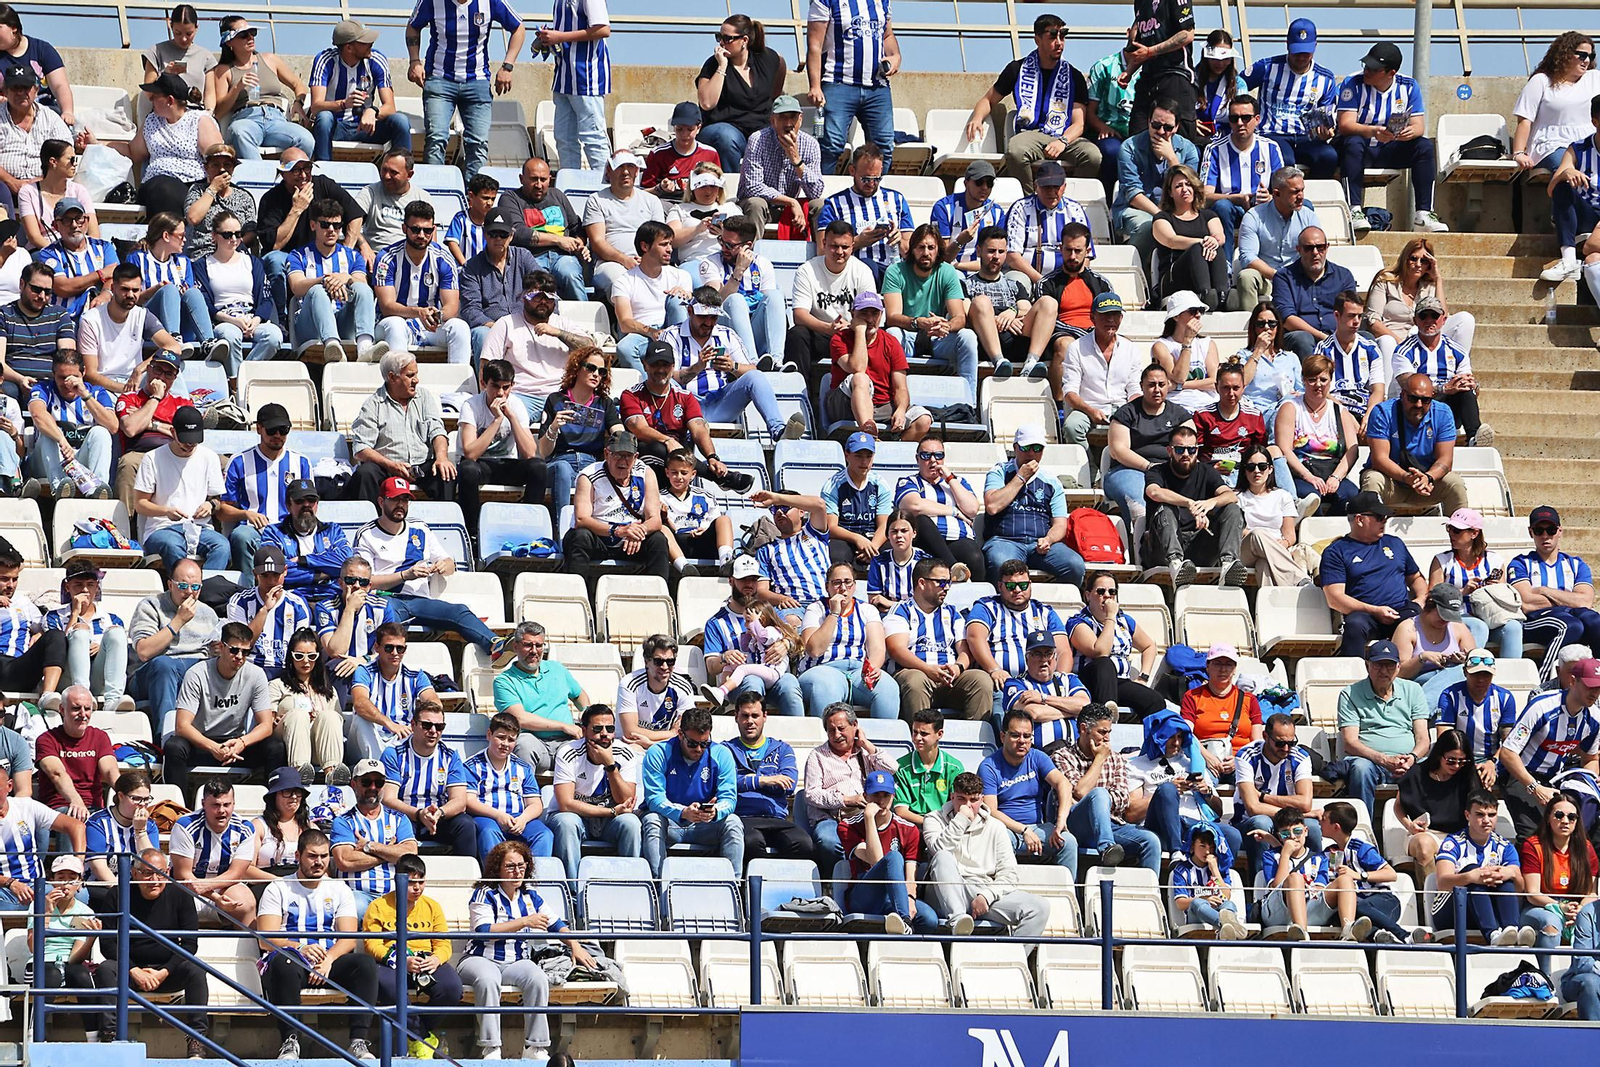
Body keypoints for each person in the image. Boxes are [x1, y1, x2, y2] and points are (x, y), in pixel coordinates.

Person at [462, 840, 593, 1060]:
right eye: (510, 867)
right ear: (497, 869)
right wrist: (524, 921)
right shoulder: (484, 894)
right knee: (487, 979)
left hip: (515, 961)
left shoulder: (530, 895)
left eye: (521, 866)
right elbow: (483, 930)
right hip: (480, 957)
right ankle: (491, 1047)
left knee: (537, 978)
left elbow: (556, 923)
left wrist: (575, 945)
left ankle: (535, 1047)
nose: (517, 872)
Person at [257, 829, 380, 1061]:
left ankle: (358, 1041)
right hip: (291, 960)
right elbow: (265, 937)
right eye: (313, 856)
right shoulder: (278, 888)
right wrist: (299, 948)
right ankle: (290, 1040)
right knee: (284, 961)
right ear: (298, 856)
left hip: (328, 960)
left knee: (364, 964)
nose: (319, 862)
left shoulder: (340, 888)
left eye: (324, 856)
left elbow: (349, 937)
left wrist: (329, 960)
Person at [352, 477, 505, 656]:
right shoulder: (367, 534)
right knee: (391, 625)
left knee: (458, 611)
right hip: (385, 599)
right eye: (394, 499)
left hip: (419, 600)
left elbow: (449, 563)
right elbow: (365, 581)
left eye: (405, 499)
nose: (400, 504)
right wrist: (405, 575)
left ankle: (495, 644)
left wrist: (444, 565)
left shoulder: (420, 528)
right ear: (381, 501)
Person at [91, 848, 208, 1057]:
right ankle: (109, 1035)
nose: (155, 879)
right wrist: (134, 970)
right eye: (147, 873)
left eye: (160, 873)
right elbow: (107, 943)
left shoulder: (180, 895)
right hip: (129, 972)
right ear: (134, 874)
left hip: (168, 972)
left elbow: (190, 944)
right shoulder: (117, 894)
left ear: (169, 872)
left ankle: (197, 1040)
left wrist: (164, 971)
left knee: (196, 969)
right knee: (106, 969)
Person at [968, 14, 1100, 192]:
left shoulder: (1074, 75)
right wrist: (977, 118)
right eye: (1053, 36)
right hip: (1031, 134)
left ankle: (1069, 201)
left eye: (1063, 36)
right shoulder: (1017, 69)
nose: (1059, 42)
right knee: (1015, 151)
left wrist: (1063, 141)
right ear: (1037, 39)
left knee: (1093, 156)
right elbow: (988, 100)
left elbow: (1079, 123)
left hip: (1064, 134)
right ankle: (1030, 200)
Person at [1335, 43, 1447, 234]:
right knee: (1353, 142)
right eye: (1366, 66)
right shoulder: (1352, 83)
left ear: (1390, 73)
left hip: (1389, 148)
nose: (1367, 71)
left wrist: (1410, 133)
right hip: (1358, 149)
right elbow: (1345, 124)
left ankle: (1423, 213)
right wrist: (1372, 131)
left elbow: (1419, 126)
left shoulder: (1409, 86)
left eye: (1373, 69)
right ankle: (1353, 209)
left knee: (1424, 146)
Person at [620, 340, 756, 495]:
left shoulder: (685, 396)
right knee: (657, 448)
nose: (661, 369)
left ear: (673, 366)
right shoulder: (631, 394)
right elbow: (639, 428)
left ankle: (710, 475)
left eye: (665, 364)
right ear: (645, 365)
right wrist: (667, 440)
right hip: (645, 459)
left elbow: (698, 429)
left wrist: (712, 457)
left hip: (680, 461)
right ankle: (718, 478)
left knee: (683, 447)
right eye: (655, 364)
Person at [405, 0, 523, 178]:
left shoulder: (490, 2)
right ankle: (436, 190)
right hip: (439, 80)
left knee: (478, 143)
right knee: (436, 138)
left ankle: (473, 196)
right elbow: (413, 26)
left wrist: (507, 66)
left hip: (477, 82)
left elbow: (518, 28)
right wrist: (414, 61)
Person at [362, 852, 463, 1059]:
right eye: (410, 882)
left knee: (452, 988)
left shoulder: (432, 906)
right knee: (389, 988)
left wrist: (435, 959)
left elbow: (443, 943)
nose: (417, 887)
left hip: (426, 961)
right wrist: (401, 961)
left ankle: (416, 1035)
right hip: (392, 961)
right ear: (397, 880)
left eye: (421, 881)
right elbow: (371, 944)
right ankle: (423, 1037)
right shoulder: (378, 906)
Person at [165, 623, 283, 797]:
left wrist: (242, 743)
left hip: (236, 744)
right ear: (221, 647)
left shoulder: (256, 675)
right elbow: (182, 726)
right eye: (234, 650)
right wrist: (213, 748)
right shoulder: (197, 674)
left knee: (275, 747)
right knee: (174, 746)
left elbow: (266, 725)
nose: (240, 656)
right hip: (202, 743)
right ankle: (176, 807)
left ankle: (272, 808)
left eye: (246, 652)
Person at [925, 772, 1047, 936]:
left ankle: (1014, 960)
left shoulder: (996, 826)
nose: (968, 806)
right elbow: (939, 849)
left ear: (982, 799)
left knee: (1039, 908)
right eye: (961, 799)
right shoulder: (933, 819)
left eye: (974, 800)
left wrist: (986, 896)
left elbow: (1009, 873)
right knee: (942, 856)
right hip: (944, 892)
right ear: (952, 797)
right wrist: (961, 819)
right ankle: (958, 921)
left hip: (983, 890)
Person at [1319, 490, 1427, 655]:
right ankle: (1354, 675)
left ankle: (1415, 670)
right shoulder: (1336, 551)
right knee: (1354, 625)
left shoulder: (1395, 543)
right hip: (1365, 615)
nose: (1385, 521)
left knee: (1419, 619)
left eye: (1386, 517)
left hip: (1401, 610)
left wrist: (1420, 600)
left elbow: (1415, 578)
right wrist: (1374, 610)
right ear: (1360, 519)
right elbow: (1335, 598)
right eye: (1379, 517)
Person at [639, 706, 743, 876]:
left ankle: (733, 886)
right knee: (652, 820)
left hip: (704, 824)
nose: (699, 749)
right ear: (680, 734)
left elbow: (729, 799)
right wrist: (683, 812)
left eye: (705, 743)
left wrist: (715, 812)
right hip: (670, 824)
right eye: (692, 743)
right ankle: (657, 885)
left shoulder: (722, 754)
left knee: (733, 822)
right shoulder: (658, 753)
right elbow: (654, 799)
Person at [1499, 662, 1600, 838]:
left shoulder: (1594, 718)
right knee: (1535, 835)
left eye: (1599, 688)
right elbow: (1507, 753)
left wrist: (1587, 783)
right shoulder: (1542, 707)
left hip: (1557, 778)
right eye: (1590, 686)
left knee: (1590, 829)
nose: (1595, 693)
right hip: (1520, 775)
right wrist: (1534, 787)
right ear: (1573, 681)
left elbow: (1591, 758)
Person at [259, 149, 367, 313]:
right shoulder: (271, 199)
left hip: (324, 250)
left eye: (307, 168)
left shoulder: (323, 184)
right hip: (292, 256)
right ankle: (282, 317)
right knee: (275, 260)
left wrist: (347, 249)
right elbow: (274, 245)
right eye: (296, 170)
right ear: (282, 173)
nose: (303, 175)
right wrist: (296, 209)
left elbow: (355, 214)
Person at [1333, 639, 1431, 817]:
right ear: (1367, 665)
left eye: (1390, 665)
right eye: (1378, 665)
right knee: (1361, 770)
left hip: (1408, 761)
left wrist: (1412, 758)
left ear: (1399, 667)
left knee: (1433, 770)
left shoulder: (1414, 690)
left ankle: (1425, 829)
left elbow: (1423, 739)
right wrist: (1383, 759)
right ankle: (1361, 830)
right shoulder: (1350, 693)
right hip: (1370, 761)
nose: (1384, 671)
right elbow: (1350, 742)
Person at [887, 557, 994, 720]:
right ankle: (920, 741)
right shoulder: (901, 610)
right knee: (915, 680)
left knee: (981, 680)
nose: (947, 588)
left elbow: (964, 649)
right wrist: (928, 669)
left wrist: (959, 667)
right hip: (915, 673)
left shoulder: (952, 613)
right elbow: (897, 649)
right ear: (922, 583)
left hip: (950, 678)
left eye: (949, 583)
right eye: (942, 582)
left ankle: (975, 743)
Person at [549, 703, 643, 887]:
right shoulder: (569, 753)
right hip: (578, 819)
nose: (605, 734)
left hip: (610, 822)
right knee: (567, 821)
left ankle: (630, 886)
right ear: (584, 730)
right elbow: (566, 804)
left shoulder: (625, 753)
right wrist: (611, 812)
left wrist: (610, 767)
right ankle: (572, 891)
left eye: (610, 729)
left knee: (631, 823)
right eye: (597, 729)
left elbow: (627, 801)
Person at [564, 429, 672, 589]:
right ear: (607, 454)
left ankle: (656, 595)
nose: (623, 461)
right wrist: (618, 531)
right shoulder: (588, 475)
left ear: (635, 458)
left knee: (658, 540)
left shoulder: (646, 474)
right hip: (600, 536)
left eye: (628, 456)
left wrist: (638, 531)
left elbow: (655, 520)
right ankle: (575, 595)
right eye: (617, 455)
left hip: (632, 540)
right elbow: (581, 519)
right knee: (580, 536)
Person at [287, 197, 387, 365]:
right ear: (313, 226)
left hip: (343, 320)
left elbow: (361, 284)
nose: (332, 230)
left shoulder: (353, 256)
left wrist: (346, 278)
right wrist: (325, 280)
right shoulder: (298, 255)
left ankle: (364, 347)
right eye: (325, 225)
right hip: (309, 324)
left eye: (337, 225)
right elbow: (296, 287)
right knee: (317, 290)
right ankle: (332, 345)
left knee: (362, 288)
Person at [1145, 422, 1247, 586]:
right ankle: (1176, 565)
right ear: (1169, 451)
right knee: (1165, 507)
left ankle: (1228, 564)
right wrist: (1189, 503)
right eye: (1180, 449)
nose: (1186, 454)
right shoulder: (1157, 471)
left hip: (1198, 544)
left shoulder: (1207, 471)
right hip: (1163, 546)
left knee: (1232, 510)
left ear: (1197, 451)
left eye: (1191, 449)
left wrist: (1210, 504)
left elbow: (1231, 496)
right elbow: (1154, 492)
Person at [702, 557, 805, 718]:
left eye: (753, 579)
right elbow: (711, 666)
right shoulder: (716, 622)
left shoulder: (771, 612)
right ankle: (753, 738)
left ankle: (800, 737)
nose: (749, 585)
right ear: (731, 581)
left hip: (773, 675)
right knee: (752, 681)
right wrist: (725, 657)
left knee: (790, 684)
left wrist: (786, 644)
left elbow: (796, 641)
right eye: (743, 580)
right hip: (740, 683)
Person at [979, 707, 1078, 872]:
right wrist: (1023, 830)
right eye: (1015, 735)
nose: (1022, 741)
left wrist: (1060, 823)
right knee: (1001, 842)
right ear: (1003, 737)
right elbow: (991, 810)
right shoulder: (989, 766)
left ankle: (1066, 893)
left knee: (1068, 842)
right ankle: (1006, 889)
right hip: (1006, 829)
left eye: (1027, 736)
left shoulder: (1037, 757)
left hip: (1038, 828)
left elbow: (1064, 784)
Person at [824, 291, 932, 442]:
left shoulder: (891, 342)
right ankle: (869, 436)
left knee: (923, 419)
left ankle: (894, 451)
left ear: (881, 315)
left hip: (883, 405)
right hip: (844, 403)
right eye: (863, 313)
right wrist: (860, 331)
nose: (869, 319)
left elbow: (901, 387)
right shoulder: (839, 339)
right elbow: (858, 368)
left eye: (874, 313)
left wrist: (901, 410)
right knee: (861, 378)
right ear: (853, 314)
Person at [348, 351, 456, 503]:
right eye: (410, 376)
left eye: (416, 375)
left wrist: (442, 457)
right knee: (365, 473)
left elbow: (437, 431)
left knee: (445, 470)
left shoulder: (424, 397)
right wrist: (391, 465)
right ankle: (370, 523)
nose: (416, 380)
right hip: (387, 467)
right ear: (392, 377)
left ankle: (446, 523)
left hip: (421, 465)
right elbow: (361, 449)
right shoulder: (373, 405)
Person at [982, 424, 1084, 583]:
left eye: (1037, 448)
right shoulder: (999, 472)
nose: (1031, 453)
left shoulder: (1052, 482)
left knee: (1075, 565)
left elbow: (1060, 524)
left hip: (1040, 542)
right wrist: (1021, 478)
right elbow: (992, 506)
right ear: (1015, 448)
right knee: (1000, 563)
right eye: (1026, 448)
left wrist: (1049, 539)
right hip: (1005, 540)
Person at [840, 768, 938, 933]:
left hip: (896, 893)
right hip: (864, 894)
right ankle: (904, 920)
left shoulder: (909, 829)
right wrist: (869, 818)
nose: (881, 801)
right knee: (893, 857)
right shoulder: (848, 826)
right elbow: (876, 859)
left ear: (893, 796)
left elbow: (910, 875)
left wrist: (910, 898)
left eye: (886, 795)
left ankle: (904, 928)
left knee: (930, 919)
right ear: (865, 797)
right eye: (875, 796)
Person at [216, 406, 310, 576]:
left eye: (283, 430)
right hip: (253, 531)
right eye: (272, 430)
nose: (278, 435)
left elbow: (310, 506)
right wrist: (246, 514)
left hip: (289, 531)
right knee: (241, 536)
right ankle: (248, 590)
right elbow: (222, 510)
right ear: (258, 428)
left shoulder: (301, 462)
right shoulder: (240, 461)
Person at [131, 405, 227, 571]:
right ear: (173, 432)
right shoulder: (152, 459)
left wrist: (210, 505)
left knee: (222, 547)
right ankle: (183, 590)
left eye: (195, 440)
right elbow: (140, 504)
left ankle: (206, 591)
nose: (190, 445)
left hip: (199, 527)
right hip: (162, 528)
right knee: (173, 547)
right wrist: (166, 511)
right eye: (185, 439)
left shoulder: (209, 457)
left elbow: (216, 500)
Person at [805, 0, 898, 171]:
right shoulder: (825, 1)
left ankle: (875, 191)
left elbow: (887, 35)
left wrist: (895, 57)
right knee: (831, 145)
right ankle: (823, 193)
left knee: (884, 146)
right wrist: (815, 86)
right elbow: (814, 45)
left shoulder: (882, 1)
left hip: (877, 87)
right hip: (838, 83)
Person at [374, 201, 470, 365]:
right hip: (394, 324)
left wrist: (436, 316)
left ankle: (459, 388)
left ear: (433, 230)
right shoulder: (387, 258)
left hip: (429, 325)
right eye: (415, 229)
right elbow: (387, 307)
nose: (421, 235)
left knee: (459, 327)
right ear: (404, 229)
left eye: (427, 230)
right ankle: (399, 383)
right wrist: (419, 312)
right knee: (396, 325)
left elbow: (452, 306)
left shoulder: (443, 259)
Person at [797, 563, 897, 719]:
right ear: (827, 587)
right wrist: (834, 614)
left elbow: (877, 648)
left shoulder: (867, 610)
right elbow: (814, 650)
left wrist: (873, 668)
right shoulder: (816, 609)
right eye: (836, 583)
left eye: (847, 582)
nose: (843, 588)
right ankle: (826, 740)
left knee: (887, 687)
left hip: (858, 670)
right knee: (827, 686)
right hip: (822, 668)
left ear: (855, 585)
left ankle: (880, 741)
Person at [128, 559, 218, 731]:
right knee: (164, 665)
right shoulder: (151, 606)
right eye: (183, 586)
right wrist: (178, 621)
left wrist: (217, 651)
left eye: (196, 587)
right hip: (153, 671)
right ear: (170, 584)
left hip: (194, 669)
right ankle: (167, 736)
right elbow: (144, 652)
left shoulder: (208, 613)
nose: (190, 592)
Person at [1433, 790, 1533, 944]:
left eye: (1491, 815)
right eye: (1480, 815)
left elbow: (1519, 888)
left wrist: (1510, 874)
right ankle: (1492, 935)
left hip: (1489, 910)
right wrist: (1470, 876)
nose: (1486, 820)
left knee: (1505, 879)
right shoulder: (1453, 843)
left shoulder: (1504, 846)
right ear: (1468, 815)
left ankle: (1512, 930)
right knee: (1472, 871)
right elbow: (1442, 883)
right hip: (1452, 911)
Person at [1360, 372, 1469, 515]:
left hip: (1426, 485)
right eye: (1413, 398)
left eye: (1425, 400)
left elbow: (1445, 460)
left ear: (1432, 398)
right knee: (1373, 479)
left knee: (1455, 483)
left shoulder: (1443, 413)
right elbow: (1379, 460)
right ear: (1402, 395)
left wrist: (1427, 477)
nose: (1418, 404)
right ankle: (1366, 533)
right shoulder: (1382, 412)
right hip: (1392, 483)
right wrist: (1407, 478)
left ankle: (1464, 532)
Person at [723, 688, 812, 861]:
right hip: (742, 818)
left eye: (755, 716)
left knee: (803, 844)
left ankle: (782, 885)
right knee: (751, 842)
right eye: (745, 716)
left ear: (765, 716)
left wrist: (747, 783)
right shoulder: (725, 750)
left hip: (776, 817)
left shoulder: (782, 749)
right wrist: (764, 781)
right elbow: (726, 783)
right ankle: (755, 887)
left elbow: (789, 784)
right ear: (736, 717)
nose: (750, 721)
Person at [1511, 506, 1600, 679]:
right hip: (1535, 621)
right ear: (1531, 532)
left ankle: (1595, 680)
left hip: (1572, 614)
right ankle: (1543, 683)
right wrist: (1569, 598)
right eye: (1539, 530)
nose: (1545, 536)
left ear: (1560, 531)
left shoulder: (1576, 564)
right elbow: (1527, 602)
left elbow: (1585, 602)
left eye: (1550, 530)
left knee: (1596, 622)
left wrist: (1544, 590)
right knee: (1571, 626)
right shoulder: (1521, 563)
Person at [205, 18, 313, 160]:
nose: (250, 37)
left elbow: (297, 84)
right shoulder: (224, 70)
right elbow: (219, 112)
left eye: (252, 32)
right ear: (229, 42)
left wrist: (298, 102)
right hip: (246, 118)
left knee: (306, 140)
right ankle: (259, 178)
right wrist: (237, 88)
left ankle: (290, 177)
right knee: (239, 133)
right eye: (243, 35)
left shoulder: (269, 59)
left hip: (276, 118)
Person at [1105, 362, 1192, 538]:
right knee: (1140, 510)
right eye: (1151, 385)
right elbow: (1117, 450)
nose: (1157, 390)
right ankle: (1144, 544)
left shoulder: (1180, 415)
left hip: (1170, 472)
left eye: (1161, 384)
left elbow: (1188, 447)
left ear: (1168, 385)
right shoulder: (1127, 413)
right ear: (1141, 386)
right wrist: (1149, 467)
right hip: (1129, 470)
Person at [688, 217, 791, 367]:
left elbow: (769, 306)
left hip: (753, 327)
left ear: (747, 246)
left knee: (775, 296)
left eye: (729, 245)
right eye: (721, 241)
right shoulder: (710, 263)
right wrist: (738, 272)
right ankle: (751, 362)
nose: (723, 248)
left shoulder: (762, 264)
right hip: (725, 327)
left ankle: (777, 360)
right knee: (735, 299)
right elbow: (713, 303)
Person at [194, 209, 281, 384]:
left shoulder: (252, 262)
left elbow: (265, 298)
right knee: (230, 335)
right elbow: (204, 302)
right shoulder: (203, 265)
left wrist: (256, 320)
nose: (234, 239)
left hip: (251, 318)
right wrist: (231, 320)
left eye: (237, 234)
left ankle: (240, 380)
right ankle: (238, 384)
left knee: (274, 336)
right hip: (222, 319)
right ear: (214, 236)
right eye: (227, 235)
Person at [1244, 19, 1339, 179]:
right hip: (1273, 133)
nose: (1301, 58)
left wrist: (1326, 132)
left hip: (1307, 137)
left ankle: (1311, 198)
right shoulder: (1267, 67)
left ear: (1315, 46)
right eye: (1297, 52)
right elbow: (1238, 85)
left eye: (1306, 53)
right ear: (1287, 44)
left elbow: (1326, 115)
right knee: (1285, 162)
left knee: (1328, 156)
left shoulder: (1325, 78)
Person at [1113, 98, 1199, 274]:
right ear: (1148, 122)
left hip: (1178, 209)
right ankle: (1130, 273)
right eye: (1155, 125)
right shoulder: (1129, 147)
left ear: (1176, 127)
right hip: (1137, 209)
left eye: (1167, 128)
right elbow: (1133, 193)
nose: (1160, 132)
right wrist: (1161, 216)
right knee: (1149, 226)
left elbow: (1191, 187)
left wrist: (1172, 159)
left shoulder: (1188, 149)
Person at [382, 698, 477, 857]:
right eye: (427, 725)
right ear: (413, 725)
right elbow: (388, 799)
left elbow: (460, 801)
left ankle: (467, 880)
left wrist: (439, 813)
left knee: (466, 825)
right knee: (394, 829)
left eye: (439, 726)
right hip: (405, 817)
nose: (433, 730)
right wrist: (419, 814)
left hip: (437, 817)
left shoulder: (450, 756)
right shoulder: (394, 754)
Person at [804, 704, 895, 866]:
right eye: (831, 730)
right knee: (828, 840)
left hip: (865, 815)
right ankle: (839, 879)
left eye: (841, 728)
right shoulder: (817, 756)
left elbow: (892, 769)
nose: (836, 735)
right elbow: (812, 794)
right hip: (831, 818)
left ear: (855, 726)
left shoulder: (865, 752)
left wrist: (866, 743)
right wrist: (847, 800)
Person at [534, 344, 622, 510]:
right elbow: (544, 452)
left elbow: (619, 432)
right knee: (562, 469)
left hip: (592, 464)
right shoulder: (556, 400)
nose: (596, 374)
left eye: (601, 372)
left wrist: (617, 435)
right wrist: (553, 427)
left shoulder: (604, 403)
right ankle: (562, 531)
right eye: (591, 368)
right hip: (560, 461)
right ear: (577, 368)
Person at [1387, 297, 1486, 445]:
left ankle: (1474, 438)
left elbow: (1467, 380)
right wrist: (1443, 388)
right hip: (1418, 405)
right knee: (1416, 395)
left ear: (1444, 319)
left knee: (1465, 390)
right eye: (1423, 316)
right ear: (1415, 320)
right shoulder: (1403, 351)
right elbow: (1407, 384)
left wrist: (1471, 385)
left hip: (1448, 407)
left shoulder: (1457, 350)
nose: (1429, 320)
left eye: (1434, 316)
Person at [1232, 712, 1322, 873]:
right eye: (1280, 744)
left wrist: (1263, 796)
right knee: (1262, 823)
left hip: (1288, 822)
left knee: (1313, 828)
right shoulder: (1246, 756)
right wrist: (1298, 814)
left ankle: (1315, 881)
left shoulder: (1300, 757)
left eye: (1291, 742)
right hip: (1248, 821)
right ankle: (1261, 886)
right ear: (1265, 736)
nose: (1286, 748)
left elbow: (1305, 803)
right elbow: (1253, 808)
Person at [963, 226, 1059, 377]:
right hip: (985, 341)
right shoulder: (966, 285)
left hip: (1017, 337)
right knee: (981, 301)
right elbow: (967, 315)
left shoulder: (1014, 285)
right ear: (979, 251)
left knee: (1049, 302)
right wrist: (996, 320)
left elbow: (1025, 309)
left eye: (1001, 252)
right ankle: (999, 362)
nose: (996, 256)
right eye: (991, 251)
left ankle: (1031, 362)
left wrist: (1012, 312)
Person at [1366, 236, 1476, 368]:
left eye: (1424, 261)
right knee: (1387, 341)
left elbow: (1443, 317)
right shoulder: (1386, 281)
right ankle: (1390, 388)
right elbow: (1373, 321)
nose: (1418, 264)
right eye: (1413, 258)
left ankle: (1460, 372)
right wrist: (1401, 343)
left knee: (1465, 319)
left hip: (1422, 336)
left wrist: (1438, 279)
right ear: (1405, 259)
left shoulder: (1429, 286)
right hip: (1393, 339)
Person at [492, 622, 587, 775]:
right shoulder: (504, 681)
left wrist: (586, 712)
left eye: (539, 645)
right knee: (523, 745)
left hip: (567, 741)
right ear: (516, 647)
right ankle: (526, 796)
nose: (534, 651)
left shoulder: (557, 669)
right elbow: (520, 719)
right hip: (533, 740)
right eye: (528, 645)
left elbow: (579, 695)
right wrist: (563, 726)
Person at [307, 19, 408, 162]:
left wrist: (373, 111)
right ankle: (323, 173)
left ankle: (403, 173)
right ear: (349, 48)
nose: (371, 44)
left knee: (400, 121)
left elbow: (390, 107)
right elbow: (316, 107)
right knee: (324, 118)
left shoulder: (377, 59)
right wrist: (343, 103)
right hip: (335, 127)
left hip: (366, 128)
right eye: (364, 42)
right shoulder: (325, 60)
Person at [1257, 803, 1361, 939]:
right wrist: (1285, 855)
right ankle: (1301, 932)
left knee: (1345, 880)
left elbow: (1320, 887)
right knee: (1295, 878)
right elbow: (1276, 886)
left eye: (1297, 831)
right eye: (1285, 833)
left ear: (1306, 831)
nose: (1293, 837)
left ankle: (1348, 929)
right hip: (1278, 911)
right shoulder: (1272, 856)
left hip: (1309, 907)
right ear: (1279, 835)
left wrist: (1307, 888)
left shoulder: (1320, 858)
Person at [1520, 792, 1598, 971]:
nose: (1565, 821)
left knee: (1589, 918)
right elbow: (1532, 894)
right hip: (1538, 907)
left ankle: (1584, 975)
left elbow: (1590, 893)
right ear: (1548, 818)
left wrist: (1580, 910)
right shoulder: (1533, 846)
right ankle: (1546, 979)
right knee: (1551, 922)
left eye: (1572, 817)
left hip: (1575, 908)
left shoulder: (1586, 848)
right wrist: (1560, 907)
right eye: (1559, 815)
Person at [695, 14, 786, 170]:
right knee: (726, 137)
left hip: (759, 129)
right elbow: (707, 103)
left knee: (783, 135)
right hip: (723, 128)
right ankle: (734, 187)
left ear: (744, 40)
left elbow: (780, 65)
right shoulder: (712, 64)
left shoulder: (766, 58)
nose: (722, 43)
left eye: (727, 38)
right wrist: (722, 67)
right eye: (719, 37)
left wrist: (772, 96)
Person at [1200, 96, 1282, 267]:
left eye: (1245, 118)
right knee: (1222, 206)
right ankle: (1226, 266)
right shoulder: (1214, 149)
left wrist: (1271, 198)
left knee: (1305, 205)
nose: (1239, 123)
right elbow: (1204, 197)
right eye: (1234, 118)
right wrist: (1235, 198)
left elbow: (1285, 189)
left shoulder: (1271, 147)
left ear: (1257, 119)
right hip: (1230, 210)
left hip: (1265, 209)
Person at [24, 854, 100, 1039]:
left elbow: (75, 958)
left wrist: (91, 939)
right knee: (50, 975)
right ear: (52, 881)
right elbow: (35, 948)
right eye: (60, 878)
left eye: (71, 878)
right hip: (41, 962)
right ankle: (34, 1035)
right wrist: (47, 914)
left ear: (80, 883)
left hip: (69, 963)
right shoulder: (38, 906)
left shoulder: (86, 912)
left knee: (82, 976)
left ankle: (94, 1037)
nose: (65, 884)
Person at [966, 559, 1071, 692]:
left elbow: (1063, 651)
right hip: (1001, 684)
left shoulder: (1044, 612)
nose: (1017, 590)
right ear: (1000, 586)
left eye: (1023, 585)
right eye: (1010, 586)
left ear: (1030, 585)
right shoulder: (987, 607)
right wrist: (995, 669)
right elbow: (975, 638)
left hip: (1041, 685)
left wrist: (1059, 681)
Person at [330, 758, 419, 914]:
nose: (373, 787)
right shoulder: (343, 822)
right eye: (366, 782)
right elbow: (344, 861)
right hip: (358, 895)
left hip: (396, 895)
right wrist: (390, 852)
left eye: (378, 782)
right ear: (354, 784)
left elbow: (410, 854)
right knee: (354, 907)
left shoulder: (399, 819)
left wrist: (370, 846)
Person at [1274, 353, 1358, 517]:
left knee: (1351, 495)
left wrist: (1336, 477)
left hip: (1331, 470)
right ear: (1303, 380)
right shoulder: (1291, 408)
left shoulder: (1340, 411)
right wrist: (1308, 476)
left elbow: (1352, 450)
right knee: (1311, 496)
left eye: (1323, 379)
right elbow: (1284, 448)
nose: (1317, 384)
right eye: (1312, 379)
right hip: (1301, 472)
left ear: (1330, 381)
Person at [25, 350, 115, 500]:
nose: (68, 383)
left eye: (73, 377)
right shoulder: (43, 389)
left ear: (83, 372)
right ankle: (60, 487)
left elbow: (113, 426)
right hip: (46, 462)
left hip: (80, 460)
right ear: (53, 374)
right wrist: (60, 439)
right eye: (62, 377)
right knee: (48, 435)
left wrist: (85, 395)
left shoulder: (97, 392)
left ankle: (97, 490)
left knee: (101, 432)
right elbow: (37, 414)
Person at [497, 158, 589, 302]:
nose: (539, 185)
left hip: (562, 257)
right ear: (522, 179)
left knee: (570, 273)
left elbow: (576, 227)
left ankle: (585, 319)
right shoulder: (510, 198)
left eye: (543, 179)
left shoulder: (558, 195)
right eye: (534, 179)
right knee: (539, 285)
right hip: (530, 257)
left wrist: (579, 244)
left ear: (550, 179)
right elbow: (518, 233)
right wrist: (558, 240)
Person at [1056, 290, 1140, 447]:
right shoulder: (1076, 348)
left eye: (1115, 315)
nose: (1111, 320)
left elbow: (1134, 388)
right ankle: (1090, 469)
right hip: (1087, 407)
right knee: (1072, 428)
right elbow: (1069, 392)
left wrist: (1133, 410)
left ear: (1121, 318)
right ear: (1092, 318)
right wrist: (1090, 410)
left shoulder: (1130, 348)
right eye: (1105, 315)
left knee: (1142, 425)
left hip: (1121, 406)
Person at [169, 778, 258, 925]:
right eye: (215, 805)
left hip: (223, 889)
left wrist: (208, 885)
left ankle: (249, 946)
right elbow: (183, 875)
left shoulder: (245, 829)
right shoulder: (185, 826)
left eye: (227, 805)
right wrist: (214, 897)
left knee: (245, 902)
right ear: (203, 804)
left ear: (234, 804)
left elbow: (236, 873)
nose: (222, 810)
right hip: (187, 891)